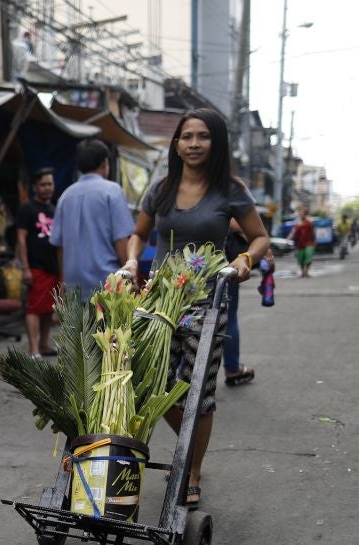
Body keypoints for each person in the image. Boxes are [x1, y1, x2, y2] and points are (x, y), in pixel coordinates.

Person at [121, 108, 269, 509]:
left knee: (199, 392)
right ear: (176, 143)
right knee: (149, 381)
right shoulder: (161, 188)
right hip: (160, 300)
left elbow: (259, 238)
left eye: (202, 136)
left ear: (215, 142)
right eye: (186, 136)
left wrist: (245, 261)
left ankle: (192, 468)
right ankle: (181, 448)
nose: (193, 144)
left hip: (207, 301)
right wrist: (133, 260)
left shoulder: (230, 190)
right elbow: (138, 234)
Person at [49, 139, 134, 298]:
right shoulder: (112, 191)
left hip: (74, 286)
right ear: (104, 164)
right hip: (107, 284)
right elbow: (121, 240)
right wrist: (129, 276)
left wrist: (63, 280)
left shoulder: (65, 196)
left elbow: (60, 247)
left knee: (78, 324)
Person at [223, 220, 275, 387]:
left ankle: (181, 376)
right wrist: (264, 250)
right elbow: (239, 222)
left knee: (187, 319)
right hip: (221, 262)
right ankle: (232, 369)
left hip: (185, 261)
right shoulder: (227, 192)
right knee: (228, 319)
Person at [16, 167, 61, 357]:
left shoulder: (55, 208)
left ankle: (44, 344)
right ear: (35, 187)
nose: (47, 188)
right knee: (34, 307)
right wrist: (25, 267)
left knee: (48, 308)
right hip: (36, 266)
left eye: (50, 184)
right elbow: (21, 239)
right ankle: (33, 349)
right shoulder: (27, 208)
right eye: (43, 184)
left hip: (54, 267)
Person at [288, 205, 315, 278]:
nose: (301, 215)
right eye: (301, 213)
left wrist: (314, 241)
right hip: (299, 244)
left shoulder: (309, 223)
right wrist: (288, 238)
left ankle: (306, 272)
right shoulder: (298, 224)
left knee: (308, 256)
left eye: (303, 213)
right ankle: (303, 272)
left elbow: (313, 232)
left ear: (305, 214)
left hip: (309, 243)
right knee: (300, 259)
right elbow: (293, 232)